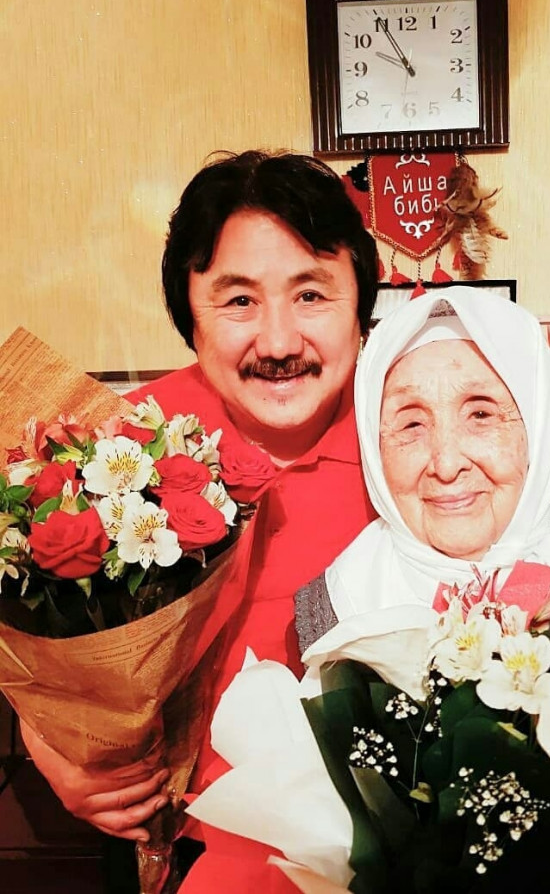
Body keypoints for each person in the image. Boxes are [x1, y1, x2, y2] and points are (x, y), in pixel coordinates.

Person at [19, 149, 380, 893]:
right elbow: (34, 633)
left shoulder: (411, 439)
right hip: (183, 848)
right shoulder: (118, 448)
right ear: (190, 313)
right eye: (239, 301)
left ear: (361, 306)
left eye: (311, 294)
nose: (278, 343)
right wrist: (52, 747)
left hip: (384, 841)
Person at [295, 287, 550, 650]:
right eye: (411, 424)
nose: (447, 465)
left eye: (481, 414)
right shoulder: (342, 602)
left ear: (538, 430)